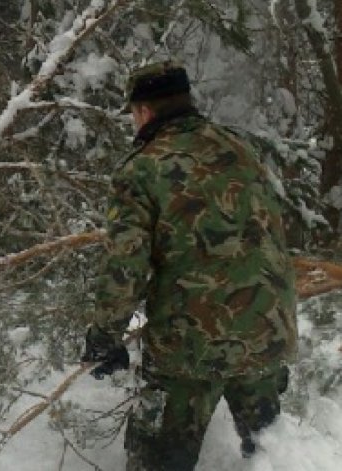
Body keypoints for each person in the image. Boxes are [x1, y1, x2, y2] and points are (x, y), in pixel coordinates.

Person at [81, 61, 298, 470]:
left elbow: (124, 264)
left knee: (159, 460)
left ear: (143, 111)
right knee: (273, 455)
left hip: (189, 346)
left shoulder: (140, 169)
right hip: (267, 331)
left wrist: (104, 336)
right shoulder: (242, 150)